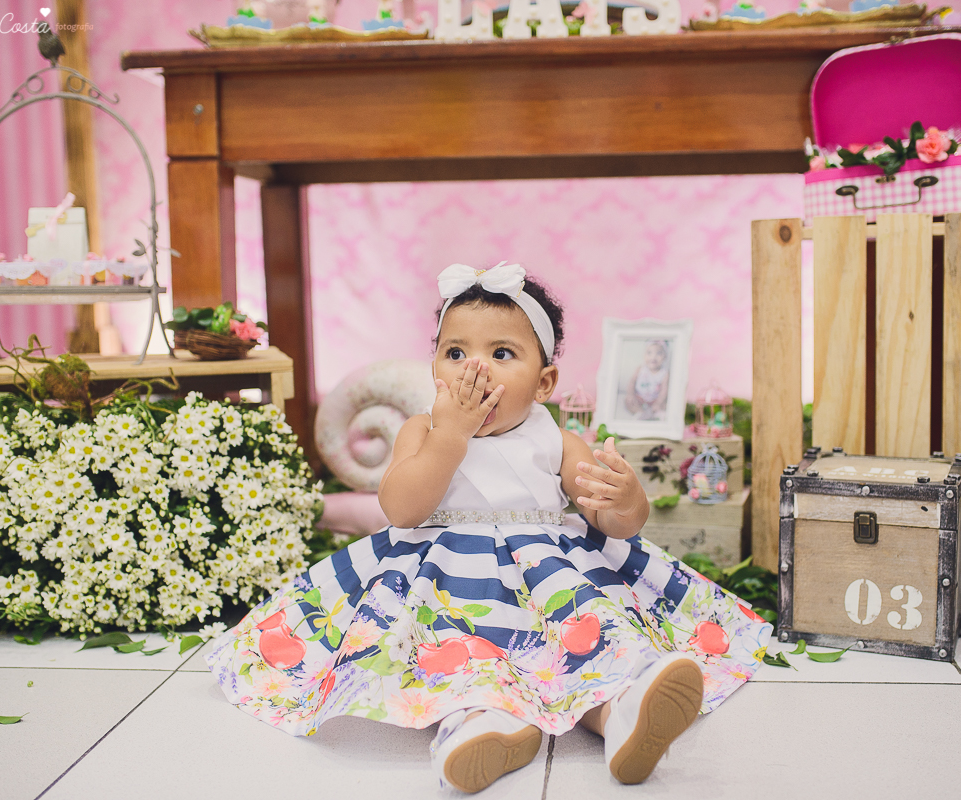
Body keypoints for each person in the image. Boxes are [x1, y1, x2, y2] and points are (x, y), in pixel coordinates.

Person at [207, 262, 771, 793]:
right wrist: (451, 436)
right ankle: (483, 725)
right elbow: (402, 509)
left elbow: (611, 522)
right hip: (445, 584)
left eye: (502, 353)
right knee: (452, 655)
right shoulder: (422, 431)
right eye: (456, 352)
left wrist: (625, 501)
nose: (474, 369)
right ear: (434, 370)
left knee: (588, 644)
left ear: (544, 383)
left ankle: (623, 713)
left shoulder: (557, 440)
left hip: (547, 584)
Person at [622, 339, 670, 420]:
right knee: (628, 401)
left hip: (655, 400)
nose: (653, 357)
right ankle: (640, 413)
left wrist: (658, 403)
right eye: (649, 353)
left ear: (665, 356)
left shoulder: (664, 373)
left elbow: (664, 391)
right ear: (644, 355)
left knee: (665, 405)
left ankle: (654, 414)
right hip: (640, 398)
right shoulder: (640, 369)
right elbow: (632, 382)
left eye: (658, 353)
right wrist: (630, 394)